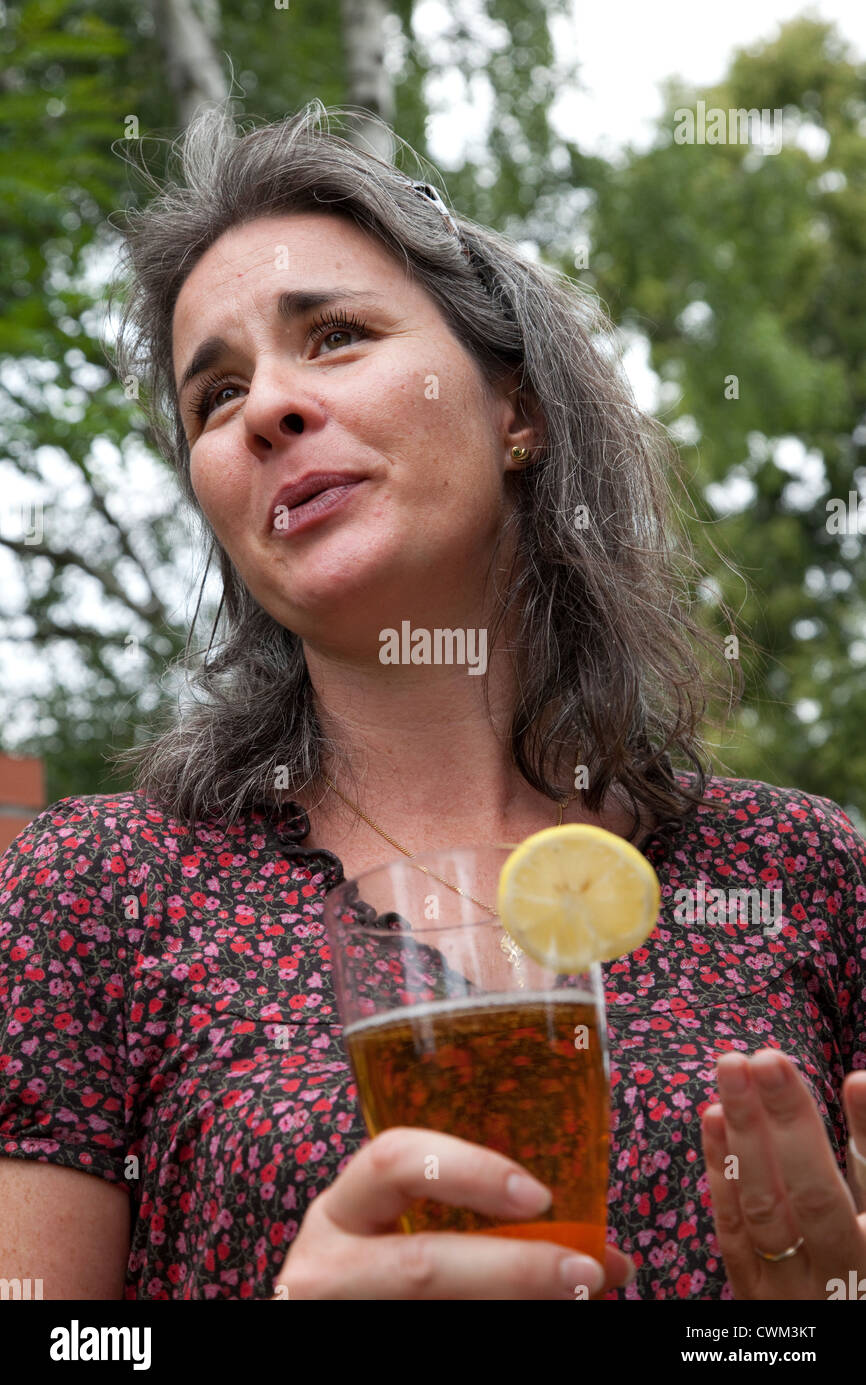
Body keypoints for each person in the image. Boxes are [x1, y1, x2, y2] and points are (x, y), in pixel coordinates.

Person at [1, 99, 864, 1302]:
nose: (267, 408)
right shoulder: (95, 893)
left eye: (338, 334)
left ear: (517, 408)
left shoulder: (801, 878)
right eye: (214, 396)